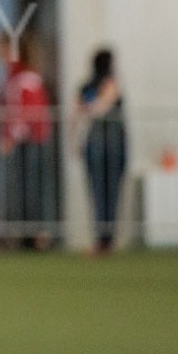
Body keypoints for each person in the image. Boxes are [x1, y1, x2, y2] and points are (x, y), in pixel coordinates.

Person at [0, 30, 57, 249]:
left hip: (31, 141)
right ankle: (28, 234)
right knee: (25, 187)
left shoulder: (25, 78)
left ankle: (36, 235)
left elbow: (27, 112)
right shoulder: (16, 76)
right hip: (29, 140)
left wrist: (12, 137)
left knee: (32, 188)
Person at [76, 48, 128, 253]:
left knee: (107, 191)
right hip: (105, 143)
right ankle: (103, 238)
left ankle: (106, 238)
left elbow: (86, 110)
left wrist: (89, 108)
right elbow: (98, 107)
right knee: (101, 191)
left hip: (104, 142)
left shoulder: (91, 87)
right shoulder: (104, 83)